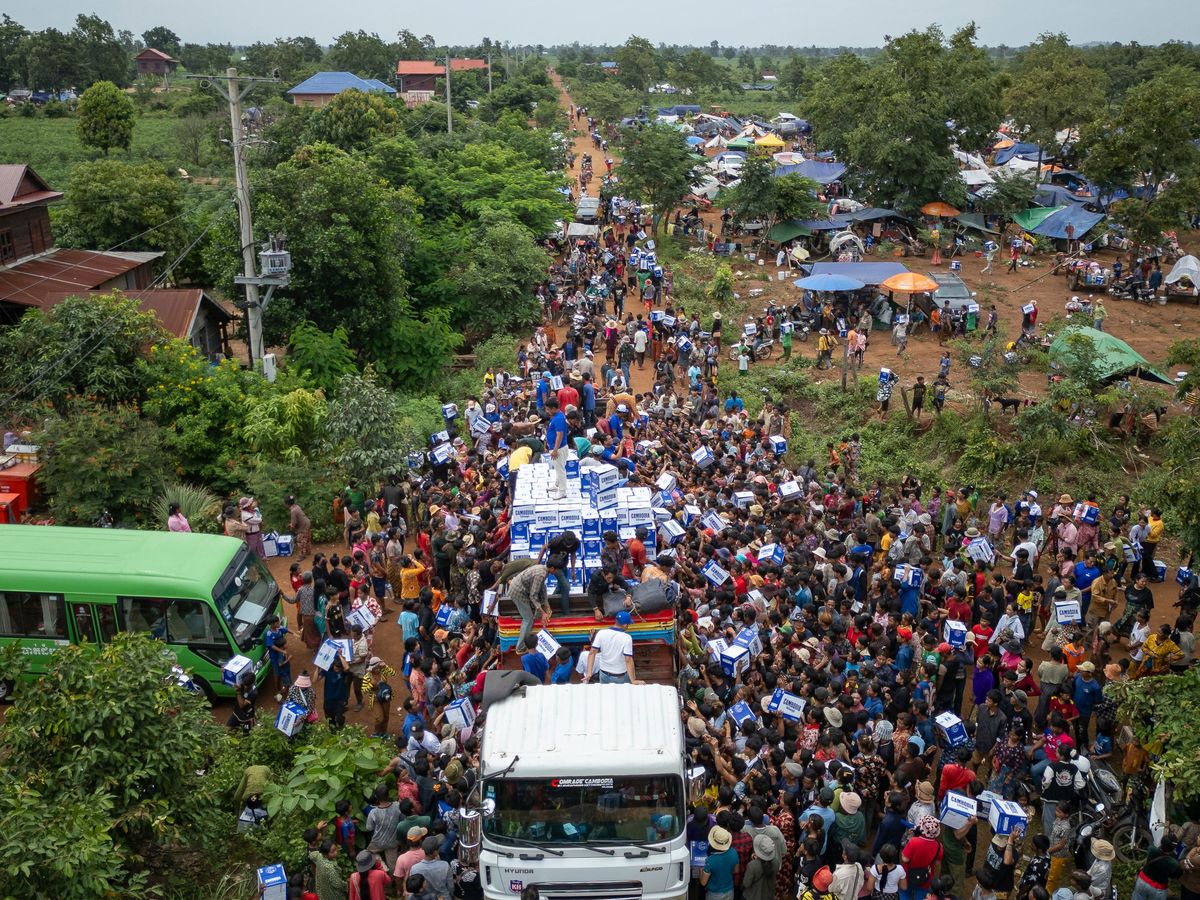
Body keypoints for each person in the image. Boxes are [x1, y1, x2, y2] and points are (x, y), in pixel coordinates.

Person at [585, 611, 641, 684]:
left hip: (603, 674)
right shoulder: (627, 638)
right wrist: (633, 680)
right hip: (620, 676)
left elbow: (592, 652)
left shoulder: (601, 633)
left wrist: (589, 673)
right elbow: (628, 660)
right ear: (625, 624)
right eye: (628, 624)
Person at [701, 825, 739, 900]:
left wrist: (701, 869)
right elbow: (736, 870)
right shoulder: (734, 852)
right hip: (730, 891)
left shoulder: (710, 860)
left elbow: (703, 882)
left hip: (714, 894)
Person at [287, 495, 312, 559]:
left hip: (303, 527)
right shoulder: (297, 506)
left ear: (287, 504)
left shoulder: (293, 511)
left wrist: (290, 527)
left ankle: (302, 555)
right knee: (307, 539)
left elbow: (294, 523)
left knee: (300, 540)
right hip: (307, 523)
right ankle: (308, 551)